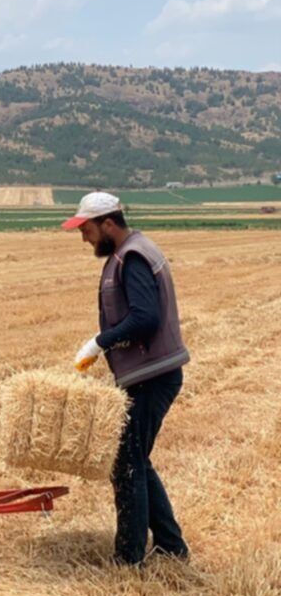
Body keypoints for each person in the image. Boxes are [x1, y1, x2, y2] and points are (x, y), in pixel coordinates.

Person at [63, 190, 190, 567]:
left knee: (127, 462)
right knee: (135, 458)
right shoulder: (130, 252)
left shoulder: (132, 257)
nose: (83, 237)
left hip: (154, 375)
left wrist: (98, 343)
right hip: (152, 373)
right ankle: (170, 546)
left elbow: (145, 318)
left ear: (108, 223)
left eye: (86, 229)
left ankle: (129, 558)